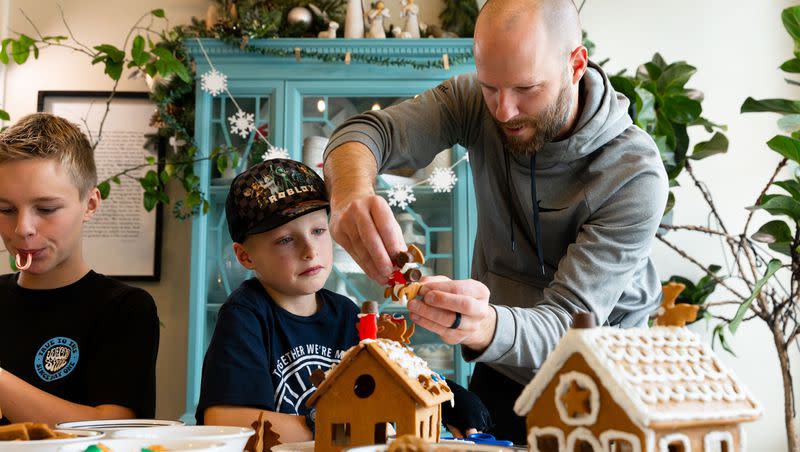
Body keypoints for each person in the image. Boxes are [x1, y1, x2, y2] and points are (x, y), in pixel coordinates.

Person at [322, 0, 668, 443]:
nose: (504, 111)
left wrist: (484, 325)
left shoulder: (634, 174)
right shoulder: (477, 104)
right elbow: (370, 133)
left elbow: (568, 323)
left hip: (599, 381)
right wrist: (350, 191)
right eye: (490, 86)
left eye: (526, 88)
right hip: (501, 364)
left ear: (575, 64)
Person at [196, 158, 491, 441]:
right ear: (245, 256)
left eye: (318, 230)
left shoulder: (346, 314)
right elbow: (226, 421)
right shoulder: (246, 316)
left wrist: (446, 394)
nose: (310, 250)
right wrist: (333, 425)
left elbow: (389, 382)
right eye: (286, 239)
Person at [0, 113, 160, 426]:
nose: (23, 229)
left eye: (46, 209)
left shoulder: (124, 309)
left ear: (90, 204)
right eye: (5, 210)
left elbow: (112, 429)